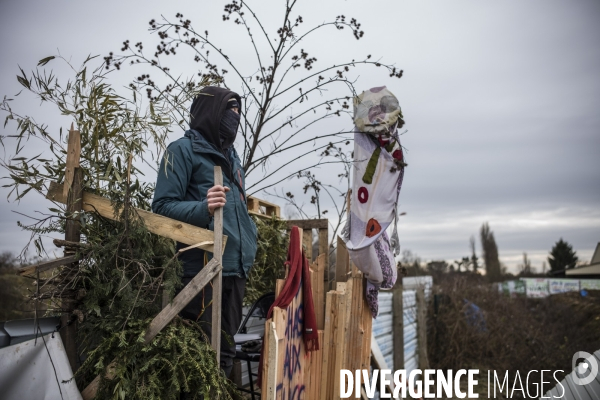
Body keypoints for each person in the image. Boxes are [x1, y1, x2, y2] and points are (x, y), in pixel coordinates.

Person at [152, 86, 258, 379]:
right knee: (200, 356)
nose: (235, 117)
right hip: (201, 269)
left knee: (224, 353)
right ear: (212, 113)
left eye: (238, 111)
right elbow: (160, 208)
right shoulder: (182, 151)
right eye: (229, 110)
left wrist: (251, 238)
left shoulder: (232, 156)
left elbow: (238, 210)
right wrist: (203, 208)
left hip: (235, 268)